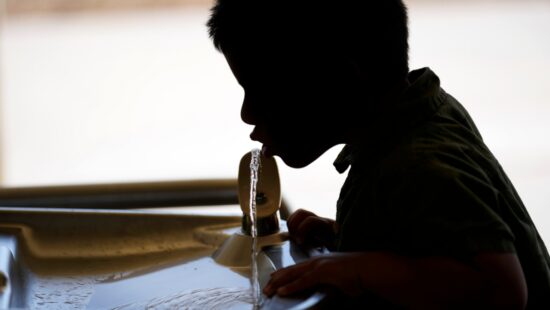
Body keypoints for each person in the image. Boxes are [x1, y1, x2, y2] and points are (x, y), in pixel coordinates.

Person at [207, 0, 550, 308]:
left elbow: (501, 289)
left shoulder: (421, 163)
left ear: (339, 78)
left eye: (260, 91)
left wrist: (360, 269)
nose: (247, 114)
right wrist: (352, 239)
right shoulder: (412, 119)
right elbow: (436, 242)